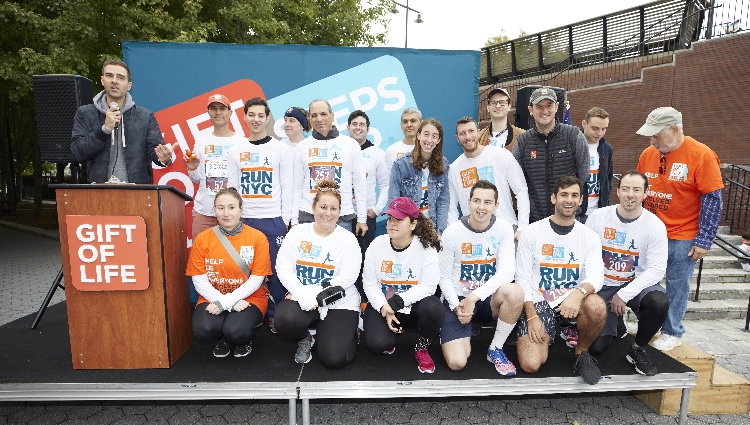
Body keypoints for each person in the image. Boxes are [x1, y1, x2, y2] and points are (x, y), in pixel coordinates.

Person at [635, 107, 724, 351]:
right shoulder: (647, 154)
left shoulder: (702, 155)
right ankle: (647, 326)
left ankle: (672, 331)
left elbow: (713, 200)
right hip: (650, 232)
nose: (651, 141)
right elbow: (638, 190)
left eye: (656, 135)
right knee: (642, 281)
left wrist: (704, 239)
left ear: (674, 130)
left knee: (677, 284)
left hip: (683, 235)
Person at [515, 176, 606, 385]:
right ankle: (553, 331)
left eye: (574, 195)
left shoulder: (589, 236)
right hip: (540, 302)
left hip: (572, 303)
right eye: (564, 194)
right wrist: (531, 316)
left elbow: (596, 276)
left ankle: (581, 352)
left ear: (581, 200)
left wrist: (578, 293)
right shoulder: (532, 232)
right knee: (531, 363)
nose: (569, 200)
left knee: (596, 306)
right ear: (553, 198)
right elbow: (522, 277)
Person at [585, 171, 670, 376]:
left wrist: (623, 294)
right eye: (625, 189)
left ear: (645, 193)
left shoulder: (655, 225)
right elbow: (585, 254)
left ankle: (637, 349)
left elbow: (657, 269)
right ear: (618, 191)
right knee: (597, 348)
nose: (630, 194)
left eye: (636, 190)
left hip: (635, 283)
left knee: (659, 302)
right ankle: (615, 324)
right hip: (603, 283)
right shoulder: (598, 217)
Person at [439, 180, 524, 376]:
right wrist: (456, 305)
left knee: (515, 292)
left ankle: (495, 348)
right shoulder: (452, 233)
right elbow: (443, 278)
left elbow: (506, 272)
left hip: (486, 300)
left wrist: (473, 297)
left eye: (487, 202)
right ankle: (462, 327)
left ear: (496, 205)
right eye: (477, 201)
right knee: (457, 363)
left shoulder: (503, 229)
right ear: (468, 202)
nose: (481, 207)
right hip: (458, 301)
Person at [274, 180, 362, 368]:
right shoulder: (297, 232)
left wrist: (310, 294)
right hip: (304, 299)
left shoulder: (348, 239)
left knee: (333, 359)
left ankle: (350, 330)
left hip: (339, 302)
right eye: (323, 207)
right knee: (284, 319)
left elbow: (347, 278)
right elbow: (283, 267)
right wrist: (301, 293)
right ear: (313, 208)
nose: (328, 213)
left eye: (333, 208)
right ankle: (305, 339)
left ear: (340, 211)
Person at [227, 97, 294, 329]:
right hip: (245, 221)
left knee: (275, 271)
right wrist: (234, 221)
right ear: (244, 117)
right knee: (245, 271)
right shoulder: (236, 151)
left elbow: (288, 187)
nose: (256, 119)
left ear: (267, 118)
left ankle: (275, 313)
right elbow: (232, 190)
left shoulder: (280, 149)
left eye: (260, 115)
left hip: (273, 220)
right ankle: (250, 312)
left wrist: (286, 220)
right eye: (251, 114)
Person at [186, 187, 273, 358]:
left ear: (241, 209)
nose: (226, 213)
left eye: (231, 207)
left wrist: (227, 302)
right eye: (221, 207)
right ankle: (221, 338)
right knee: (203, 330)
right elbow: (199, 280)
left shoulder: (257, 238)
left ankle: (242, 339)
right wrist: (226, 302)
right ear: (214, 210)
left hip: (250, 297)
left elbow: (256, 279)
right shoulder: (202, 239)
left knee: (236, 331)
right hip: (212, 296)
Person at [362, 197, 445, 373]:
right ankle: (388, 337)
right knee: (377, 344)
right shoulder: (377, 245)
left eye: (399, 219)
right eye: (390, 218)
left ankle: (422, 347)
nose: (392, 223)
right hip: (384, 303)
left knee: (434, 308)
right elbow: (369, 284)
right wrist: (385, 308)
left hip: (412, 306)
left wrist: (397, 302)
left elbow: (429, 286)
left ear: (413, 224)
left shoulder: (426, 248)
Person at [71, 59, 174, 183]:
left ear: (129, 85)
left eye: (120, 78)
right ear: (102, 80)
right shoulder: (85, 113)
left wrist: (164, 158)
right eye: (109, 76)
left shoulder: (145, 116)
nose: (114, 81)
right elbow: (77, 153)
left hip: (137, 194)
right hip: (98, 194)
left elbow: (156, 151)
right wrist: (104, 130)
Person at [512, 87, 589, 223]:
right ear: (530, 110)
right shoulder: (522, 141)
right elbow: (517, 182)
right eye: (539, 107)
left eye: (549, 106)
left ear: (557, 106)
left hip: (569, 218)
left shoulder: (574, 136)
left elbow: (582, 175)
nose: (545, 111)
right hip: (535, 221)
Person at [292, 99, 367, 235]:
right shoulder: (302, 147)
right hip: (308, 217)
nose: (319, 119)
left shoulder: (350, 145)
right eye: (314, 115)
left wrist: (362, 218)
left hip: (342, 217)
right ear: (309, 118)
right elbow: (296, 187)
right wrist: (294, 220)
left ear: (332, 116)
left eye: (323, 114)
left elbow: (360, 184)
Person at [449, 116, 530, 240]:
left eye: (471, 131)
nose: (468, 137)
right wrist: (453, 236)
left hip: (505, 230)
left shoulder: (501, 155)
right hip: (472, 235)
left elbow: (521, 190)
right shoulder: (454, 169)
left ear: (479, 132)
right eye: (462, 133)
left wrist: (522, 228)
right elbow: (451, 209)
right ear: (457, 138)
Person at [184, 94, 247, 238]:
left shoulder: (242, 143)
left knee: (232, 257)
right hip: (205, 212)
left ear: (230, 113)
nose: (218, 113)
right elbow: (196, 179)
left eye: (222, 109)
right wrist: (192, 168)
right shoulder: (201, 141)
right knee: (201, 256)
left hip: (231, 214)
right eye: (213, 109)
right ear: (208, 113)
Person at [347, 110, 389, 301]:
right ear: (348, 128)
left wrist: (377, 210)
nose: (358, 127)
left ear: (368, 129)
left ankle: (366, 301)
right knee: (344, 258)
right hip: (344, 215)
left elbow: (386, 185)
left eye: (361, 124)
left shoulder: (377, 154)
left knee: (364, 260)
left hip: (366, 217)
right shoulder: (342, 150)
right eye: (354, 124)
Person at [387, 118, 450, 235]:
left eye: (434, 136)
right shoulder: (401, 164)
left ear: (438, 140)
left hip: (431, 226)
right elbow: (394, 200)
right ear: (419, 135)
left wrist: (440, 232)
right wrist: (397, 227)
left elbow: (443, 201)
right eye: (426, 134)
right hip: (407, 226)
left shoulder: (443, 164)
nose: (429, 140)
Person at [581, 107, 614, 217]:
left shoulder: (607, 149)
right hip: (576, 212)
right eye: (595, 128)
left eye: (604, 129)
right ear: (584, 123)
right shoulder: (574, 146)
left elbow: (607, 179)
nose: (599, 133)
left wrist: (606, 203)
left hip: (599, 213)